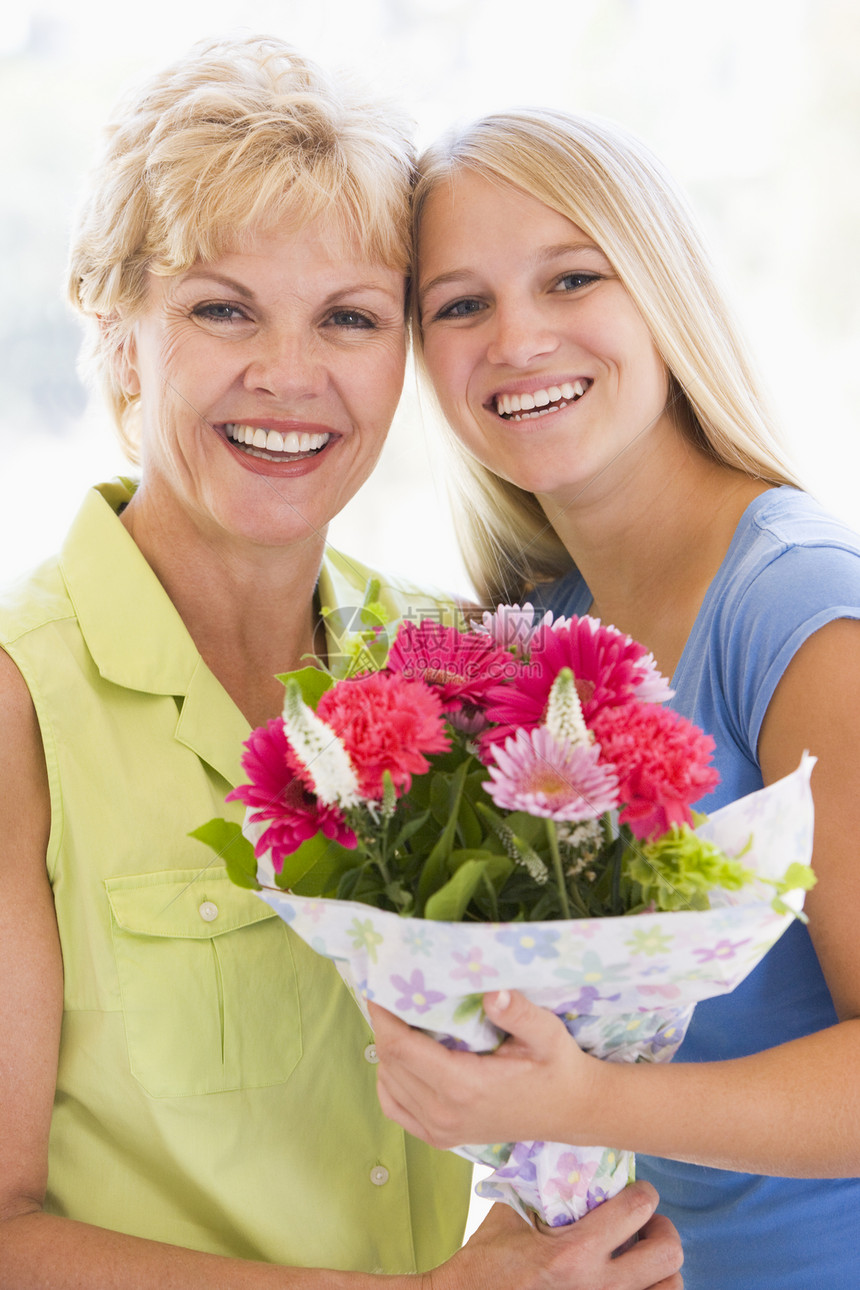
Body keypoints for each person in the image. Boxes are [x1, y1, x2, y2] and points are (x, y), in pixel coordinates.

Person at [0, 41, 684, 1290]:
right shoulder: (19, 708)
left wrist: (552, 1223)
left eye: (349, 318)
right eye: (221, 307)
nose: (290, 375)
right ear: (118, 334)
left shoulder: (453, 663)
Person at [369, 108, 860, 1289]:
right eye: (459, 304)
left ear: (661, 294)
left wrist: (585, 1097)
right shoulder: (529, 632)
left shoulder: (792, 607)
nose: (516, 338)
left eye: (570, 277)